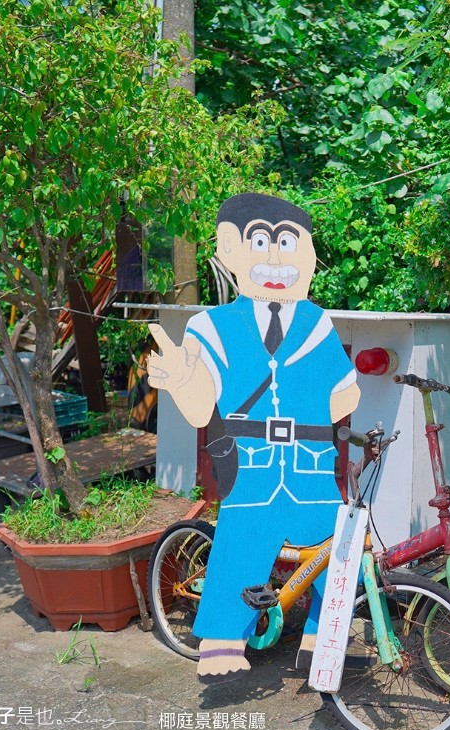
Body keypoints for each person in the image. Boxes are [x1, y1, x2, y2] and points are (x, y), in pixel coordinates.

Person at [148, 193, 360, 684]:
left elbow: (344, 396)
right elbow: (202, 408)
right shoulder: (212, 326)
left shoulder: (317, 323)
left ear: (308, 255)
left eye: (289, 243)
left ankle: (321, 635)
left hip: (310, 462)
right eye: (260, 242)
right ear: (227, 252)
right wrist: (181, 377)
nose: (276, 257)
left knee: (337, 545)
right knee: (244, 539)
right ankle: (223, 638)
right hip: (253, 460)